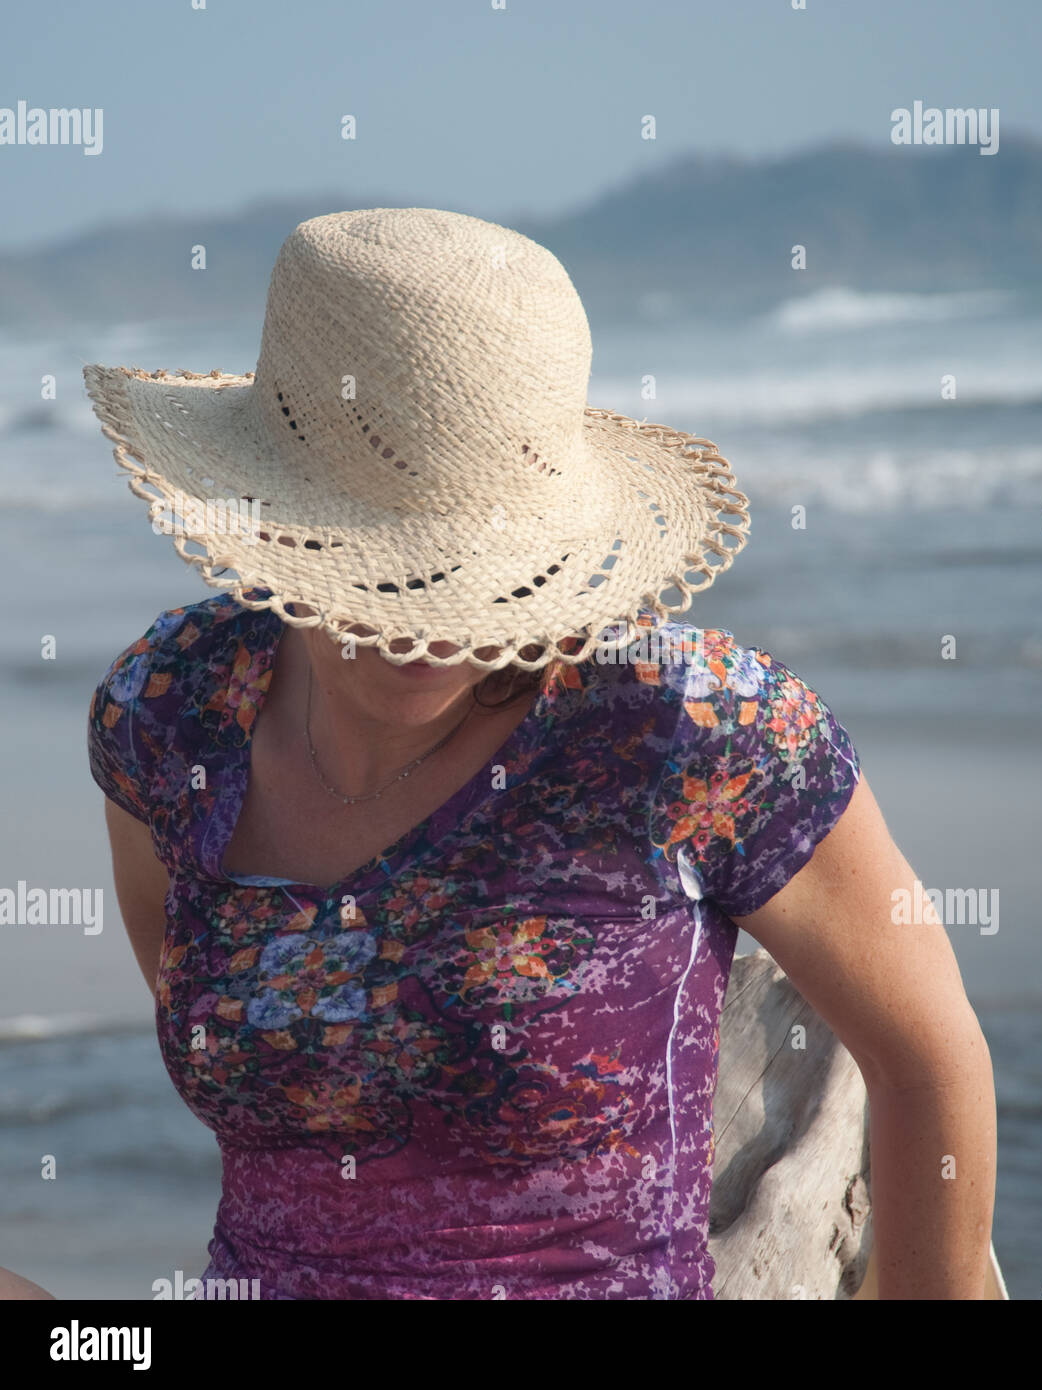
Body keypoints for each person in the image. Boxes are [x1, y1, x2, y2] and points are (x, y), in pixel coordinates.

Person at [62, 207, 993, 1299]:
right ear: (271, 520)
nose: (433, 624)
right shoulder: (170, 717)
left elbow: (927, 1055)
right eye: (381, 567)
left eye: (476, 566)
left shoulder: (684, 729)